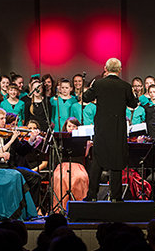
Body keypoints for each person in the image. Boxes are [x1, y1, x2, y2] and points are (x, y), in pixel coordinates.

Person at [82, 58, 139, 202]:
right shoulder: (125, 86)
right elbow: (133, 104)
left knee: (97, 161)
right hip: (118, 129)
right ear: (120, 70)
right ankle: (116, 197)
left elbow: (86, 98)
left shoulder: (99, 84)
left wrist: (91, 87)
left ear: (105, 69)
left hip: (102, 129)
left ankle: (92, 195)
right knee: (116, 161)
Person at [0, 107, 43, 211]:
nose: (4, 121)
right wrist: (11, 140)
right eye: (1, 118)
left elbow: (21, 151)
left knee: (35, 177)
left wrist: (31, 140)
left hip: (9, 167)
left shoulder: (8, 133)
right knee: (15, 177)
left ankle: (32, 209)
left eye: (4, 118)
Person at [50, 118, 90, 211]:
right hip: (63, 165)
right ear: (66, 127)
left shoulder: (83, 139)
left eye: (74, 126)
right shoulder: (61, 139)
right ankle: (60, 208)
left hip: (78, 165)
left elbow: (84, 156)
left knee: (80, 177)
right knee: (59, 178)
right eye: (69, 126)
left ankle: (79, 209)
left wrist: (88, 146)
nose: (71, 128)